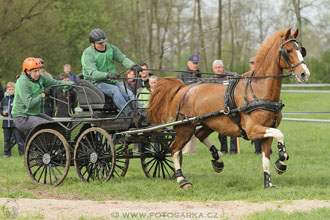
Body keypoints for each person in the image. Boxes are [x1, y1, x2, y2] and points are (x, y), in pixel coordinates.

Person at [81, 28, 143, 117]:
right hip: (96, 83)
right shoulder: (88, 54)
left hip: (111, 81)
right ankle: (129, 114)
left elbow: (122, 58)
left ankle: (142, 112)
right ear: (92, 44)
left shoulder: (111, 48)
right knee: (115, 90)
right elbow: (93, 73)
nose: (103, 44)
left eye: (104, 42)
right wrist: (108, 75)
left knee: (128, 93)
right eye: (99, 43)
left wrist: (133, 66)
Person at [12, 57, 73, 136]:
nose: (37, 74)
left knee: (57, 125)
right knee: (47, 125)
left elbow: (55, 82)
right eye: (35, 71)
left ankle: (62, 146)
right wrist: (43, 94)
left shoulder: (40, 78)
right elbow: (29, 104)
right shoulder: (22, 82)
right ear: (27, 71)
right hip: (22, 118)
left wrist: (72, 84)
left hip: (34, 114)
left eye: (38, 71)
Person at [211, 60, 238, 154]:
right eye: (216, 68)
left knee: (233, 129)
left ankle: (234, 150)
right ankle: (224, 149)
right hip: (219, 108)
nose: (218, 69)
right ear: (213, 69)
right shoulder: (211, 80)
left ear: (223, 67)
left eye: (220, 67)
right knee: (221, 130)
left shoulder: (231, 76)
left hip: (232, 106)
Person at [178, 55, 201, 155]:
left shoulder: (199, 75)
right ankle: (185, 151)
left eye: (196, 63)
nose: (195, 65)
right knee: (187, 128)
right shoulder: (182, 74)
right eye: (193, 63)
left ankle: (193, 151)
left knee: (196, 127)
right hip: (185, 106)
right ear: (189, 63)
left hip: (196, 106)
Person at [1, 82, 25, 157]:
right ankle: (6, 154)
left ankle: (23, 154)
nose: (11, 91)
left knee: (19, 140)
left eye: (12, 89)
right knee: (6, 140)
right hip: (6, 124)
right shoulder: (4, 100)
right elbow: (1, 109)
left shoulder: (17, 99)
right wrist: (2, 113)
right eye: (9, 89)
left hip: (15, 123)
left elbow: (21, 109)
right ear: (7, 90)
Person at [249, 56, 262, 154]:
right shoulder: (247, 76)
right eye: (252, 63)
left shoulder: (263, 76)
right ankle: (258, 150)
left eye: (255, 63)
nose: (254, 65)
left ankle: (266, 149)